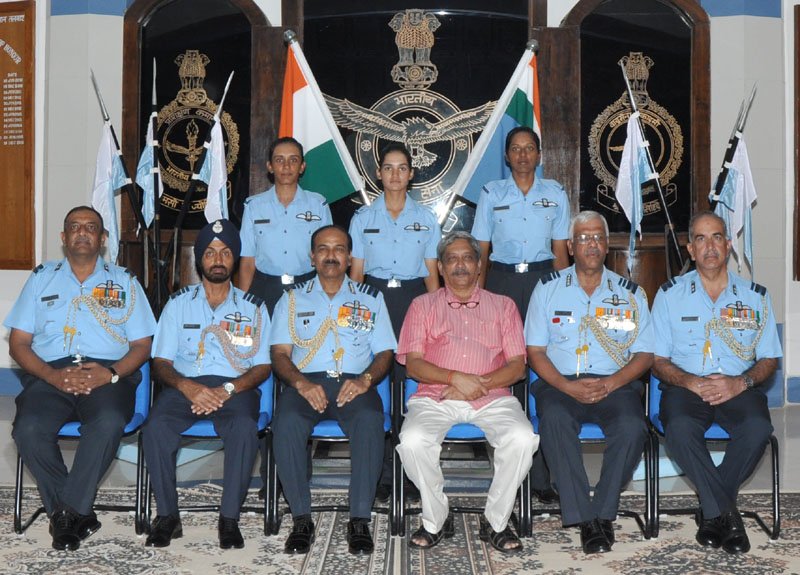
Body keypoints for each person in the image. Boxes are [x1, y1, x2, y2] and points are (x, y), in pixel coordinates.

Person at [6, 206, 156, 551]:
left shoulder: (125, 282)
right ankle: (76, 514)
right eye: (75, 226)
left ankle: (65, 513)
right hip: (50, 373)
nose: (83, 232)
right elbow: (18, 343)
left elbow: (142, 345)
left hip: (106, 374)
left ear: (103, 239)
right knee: (27, 429)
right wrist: (52, 376)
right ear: (63, 238)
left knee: (109, 420)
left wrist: (112, 373)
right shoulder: (42, 277)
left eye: (91, 227)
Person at [396, 231, 536, 552]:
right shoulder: (422, 306)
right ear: (441, 268)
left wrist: (476, 386)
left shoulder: (503, 306)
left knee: (522, 438)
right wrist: (455, 378)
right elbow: (414, 366)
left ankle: (496, 521)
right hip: (436, 396)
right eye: (451, 259)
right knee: (413, 441)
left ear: (478, 266)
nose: (460, 265)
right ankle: (436, 518)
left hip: (493, 396)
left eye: (467, 258)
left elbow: (517, 367)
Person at [651, 211, 781, 555]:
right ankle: (727, 515)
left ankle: (712, 513)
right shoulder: (668, 295)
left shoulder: (756, 296)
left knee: (757, 428)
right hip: (684, 387)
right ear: (690, 249)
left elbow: (769, 359)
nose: (709, 246)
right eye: (700, 238)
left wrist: (741, 382)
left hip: (737, 387)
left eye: (717, 237)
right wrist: (690, 381)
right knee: (678, 428)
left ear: (728, 245)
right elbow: (657, 361)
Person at [525, 211, 652, 554]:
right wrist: (567, 387)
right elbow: (535, 351)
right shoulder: (547, 289)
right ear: (570, 246)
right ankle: (584, 517)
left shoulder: (630, 293)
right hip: (560, 384)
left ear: (607, 244)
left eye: (597, 237)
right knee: (553, 419)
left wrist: (611, 383)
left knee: (632, 426)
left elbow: (644, 354)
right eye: (583, 238)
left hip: (615, 384)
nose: (591, 244)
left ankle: (602, 512)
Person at [142, 219, 271, 549]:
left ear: (235, 259)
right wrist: (188, 388)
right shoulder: (177, 304)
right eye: (210, 253)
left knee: (244, 426)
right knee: (156, 426)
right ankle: (168, 517)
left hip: (235, 388)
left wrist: (226, 390)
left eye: (226, 252)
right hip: (185, 386)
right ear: (199, 259)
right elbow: (160, 363)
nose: (218, 259)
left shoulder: (255, 308)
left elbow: (262, 367)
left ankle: (228, 519)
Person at [270, 224, 396, 556]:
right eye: (323, 249)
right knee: (285, 424)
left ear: (349, 257)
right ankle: (300, 518)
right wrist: (301, 383)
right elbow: (280, 354)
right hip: (305, 383)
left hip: (354, 383)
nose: (331, 255)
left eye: (339, 249)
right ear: (312, 257)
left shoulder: (370, 299)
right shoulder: (291, 300)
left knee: (370, 420)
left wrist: (365, 380)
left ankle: (358, 519)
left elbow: (385, 353)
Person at [471, 126, 570, 503]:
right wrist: (478, 297)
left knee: (543, 369)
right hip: (502, 284)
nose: (523, 155)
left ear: (539, 155)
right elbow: (481, 248)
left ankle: (543, 476)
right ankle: (508, 469)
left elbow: (561, 250)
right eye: (516, 149)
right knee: (506, 371)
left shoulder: (555, 194)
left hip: (545, 282)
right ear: (507, 157)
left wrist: (564, 291)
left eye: (530, 149)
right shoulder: (491, 194)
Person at [348, 142, 441, 503]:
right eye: (388, 168)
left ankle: (412, 471)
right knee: (376, 382)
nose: (395, 175)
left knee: (411, 385)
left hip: (414, 300)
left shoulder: (427, 218)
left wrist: (437, 313)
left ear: (412, 174)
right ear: (378, 173)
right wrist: (352, 318)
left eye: (402, 168)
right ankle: (384, 473)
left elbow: (433, 272)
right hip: (373, 300)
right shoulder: (362, 220)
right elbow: (355, 276)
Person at [238, 136, 333, 314]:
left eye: (293, 160)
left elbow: (327, 258)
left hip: (307, 289)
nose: (286, 166)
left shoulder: (318, 205)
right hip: (265, 289)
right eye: (279, 160)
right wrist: (244, 305)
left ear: (302, 166)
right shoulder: (253, 207)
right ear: (270, 166)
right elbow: (247, 261)